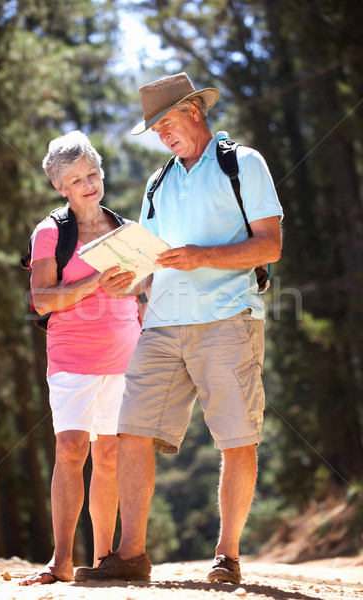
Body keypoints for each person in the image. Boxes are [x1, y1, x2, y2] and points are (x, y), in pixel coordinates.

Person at [75, 72, 283, 585]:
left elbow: (270, 245)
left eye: (166, 121)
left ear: (194, 111)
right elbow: (153, 257)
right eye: (155, 127)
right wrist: (131, 281)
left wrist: (202, 257)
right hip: (163, 324)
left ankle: (227, 556)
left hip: (228, 319)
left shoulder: (244, 164)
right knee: (131, 430)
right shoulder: (158, 182)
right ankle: (131, 555)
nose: (162, 134)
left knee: (237, 439)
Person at [20, 131, 141, 585]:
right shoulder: (50, 231)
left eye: (92, 174)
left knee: (109, 455)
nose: (88, 184)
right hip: (72, 358)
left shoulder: (126, 231)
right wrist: (93, 283)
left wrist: (135, 285)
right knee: (71, 449)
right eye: (76, 179)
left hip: (125, 357)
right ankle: (61, 560)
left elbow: (143, 289)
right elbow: (43, 299)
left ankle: (105, 558)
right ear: (60, 188)